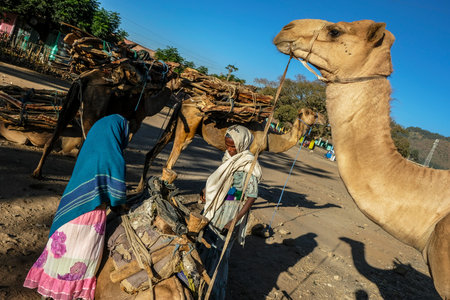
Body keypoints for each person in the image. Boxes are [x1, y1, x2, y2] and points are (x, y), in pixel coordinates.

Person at [23, 114, 130, 300]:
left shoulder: (90, 148)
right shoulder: (112, 156)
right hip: (90, 215)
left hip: (69, 209)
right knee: (80, 258)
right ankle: (68, 295)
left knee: (60, 255)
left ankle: (49, 292)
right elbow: (117, 195)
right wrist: (120, 205)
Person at [198, 125, 262, 300]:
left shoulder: (248, 165)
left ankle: (214, 292)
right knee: (206, 243)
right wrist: (206, 191)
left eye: (233, 146)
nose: (230, 149)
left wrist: (234, 220)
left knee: (219, 253)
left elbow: (251, 196)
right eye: (227, 145)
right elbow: (221, 181)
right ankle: (199, 283)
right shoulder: (228, 158)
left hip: (232, 212)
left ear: (242, 144)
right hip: (218, 208)